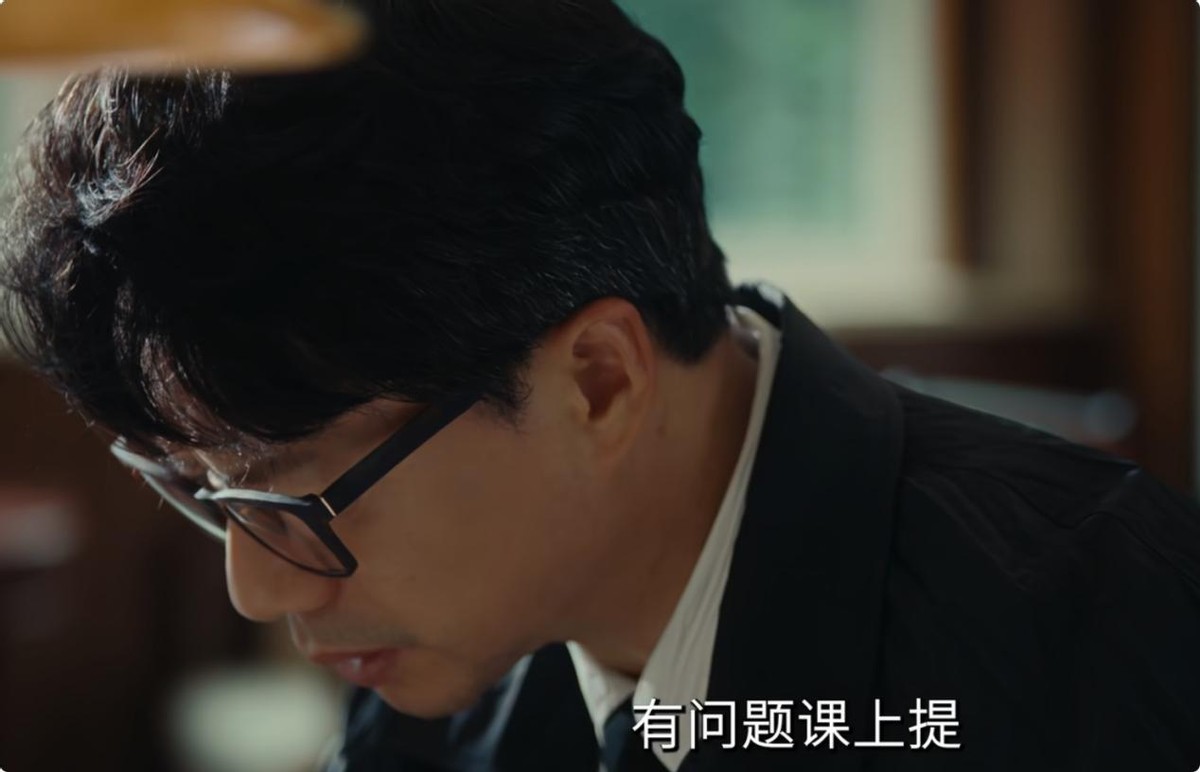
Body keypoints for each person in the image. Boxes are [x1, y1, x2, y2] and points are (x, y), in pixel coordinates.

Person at [2, 1, 1199, 770]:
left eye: (290, 495)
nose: (258, 587)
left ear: (600, 380)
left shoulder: (1107, 631)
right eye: (198, 486)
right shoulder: (437, 677)